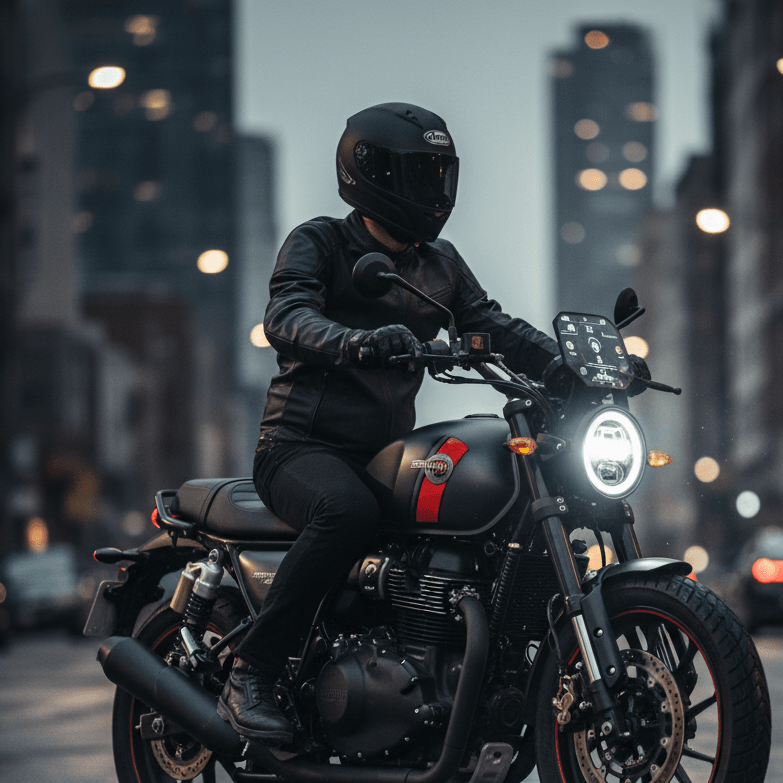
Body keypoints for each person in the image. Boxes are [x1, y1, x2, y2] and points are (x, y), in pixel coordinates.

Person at [217, 102, 559, 745]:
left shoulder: (441, 263)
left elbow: (492, 326)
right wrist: (354, 342)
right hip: (299, 448)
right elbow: (286, 316)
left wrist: (572, 367)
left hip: (385, 453)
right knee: (346, 512)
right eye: (420, 173)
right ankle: (251, 671)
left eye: (441, 172)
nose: (435, 190)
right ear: (372, 174)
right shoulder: (320, 241)